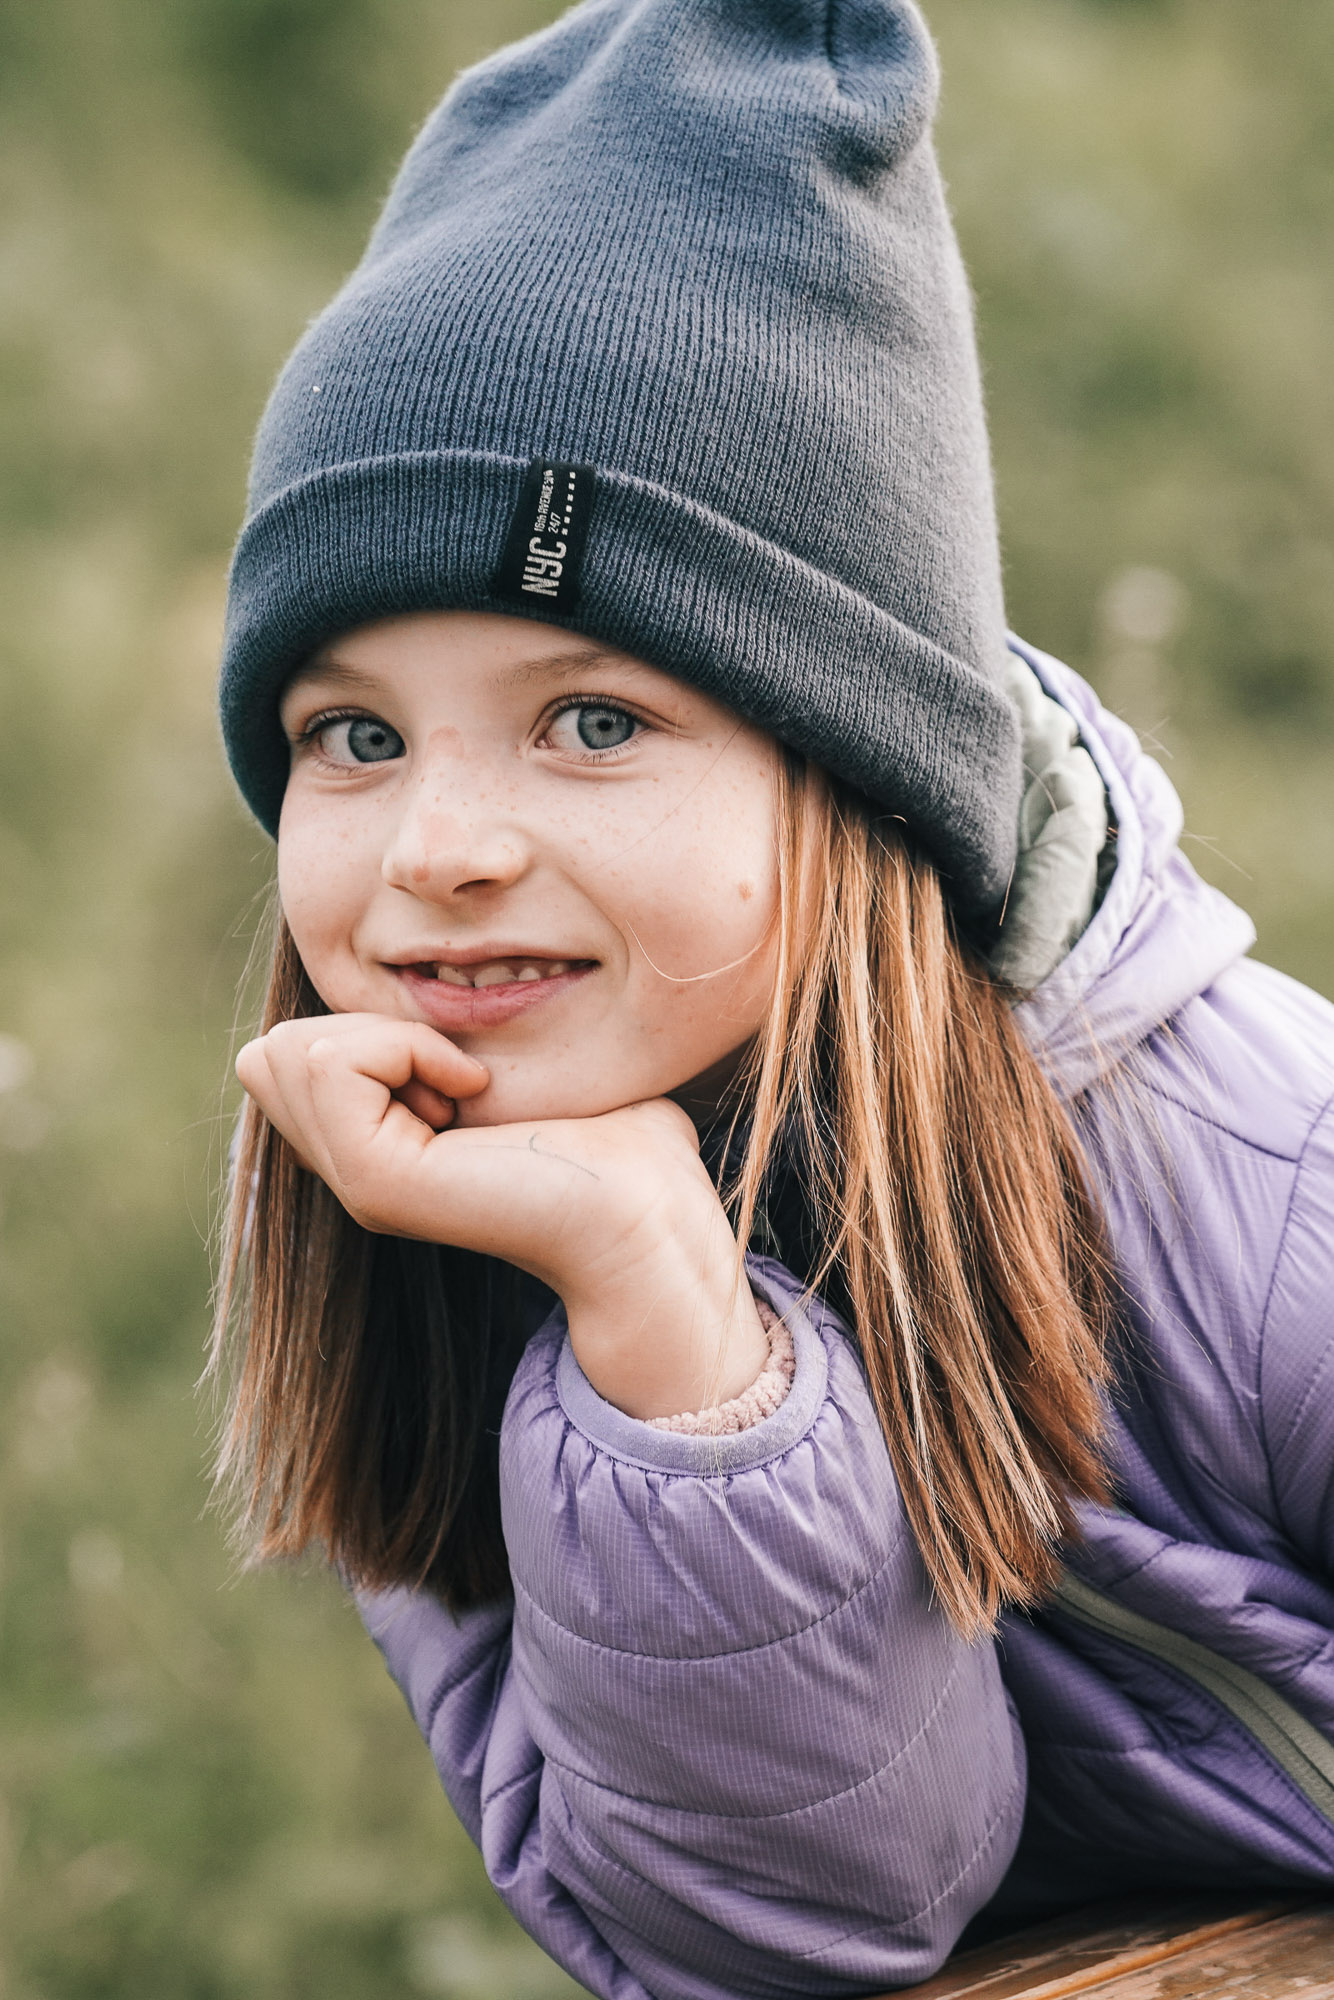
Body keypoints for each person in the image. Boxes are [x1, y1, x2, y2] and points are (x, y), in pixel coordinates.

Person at [212, 1, 1334, 1993]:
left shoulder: (1257, 1172)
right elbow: (786, 1942)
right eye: (351, 738)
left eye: (588, 717)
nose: (435, 848)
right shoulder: (450, 1245)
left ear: (856, 765)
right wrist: (665, 1342)